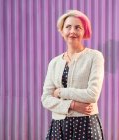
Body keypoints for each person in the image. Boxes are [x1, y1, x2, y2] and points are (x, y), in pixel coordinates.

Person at [41, 10, 104, 140]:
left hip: (86, 124)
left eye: (78, 27)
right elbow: (46, 99)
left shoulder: (94, 57)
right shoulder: (54, 62)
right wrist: (73, 105)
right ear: (62, 31)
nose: (72, 31)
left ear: (84, 31)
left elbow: (92, 94)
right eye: (68, 27)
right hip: (59, 126)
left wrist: (60, 93)